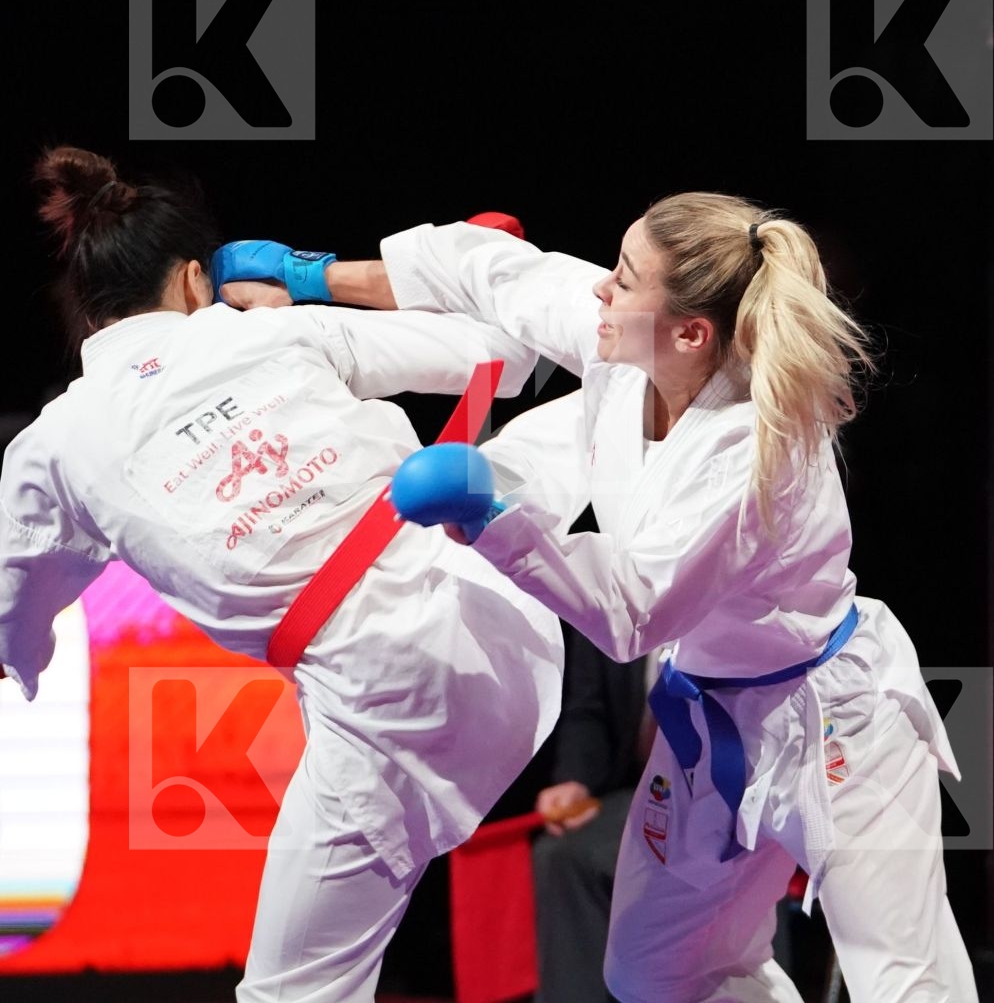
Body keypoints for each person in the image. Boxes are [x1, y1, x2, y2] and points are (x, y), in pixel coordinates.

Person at [216, 193, 978, 1001]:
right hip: (710, 721)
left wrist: (491, 519)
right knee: (658, 971)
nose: (598, 292)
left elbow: (632, 612)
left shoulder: (757, 452)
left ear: (692, 332)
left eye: (621, 277)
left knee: (909, 983)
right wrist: (315, 276)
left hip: (836, 724)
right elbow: (496, 272)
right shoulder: (631, 341)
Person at [0, 147, 569, 1003]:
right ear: (195, 279)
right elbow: (496, 354)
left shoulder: (54, 446)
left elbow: (15, 604)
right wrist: (363, 277)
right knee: (596, 403)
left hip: (390, 708)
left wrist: (26, 652)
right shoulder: (267, 326)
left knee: (289, 995)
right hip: (504, 610)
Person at [532, 620, 655, 1003]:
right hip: (638, 792)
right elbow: (588, 704)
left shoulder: (732, 583)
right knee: (559, 853)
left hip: (726, 793)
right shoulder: (614, 583)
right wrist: (575, 779)